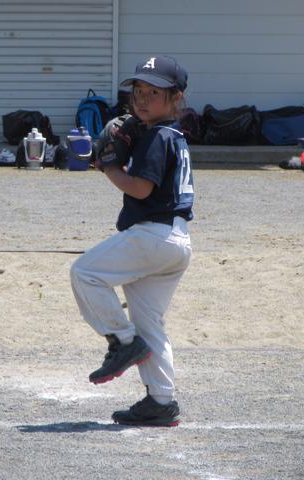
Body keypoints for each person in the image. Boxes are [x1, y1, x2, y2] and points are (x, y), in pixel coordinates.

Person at [70, 55, 195, 427]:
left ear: (176, 98)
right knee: (149, 322)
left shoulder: (157, 136)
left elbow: (140, 189)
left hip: (153, 236)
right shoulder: (172, 136)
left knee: (85, 273)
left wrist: (108, 166)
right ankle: (161, 401)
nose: (142, 98)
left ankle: (123, 342)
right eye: (138, 90)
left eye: (154, 92)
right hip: (176, 241)